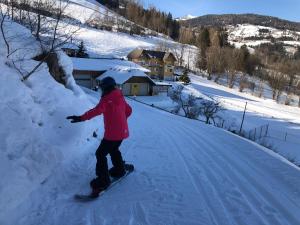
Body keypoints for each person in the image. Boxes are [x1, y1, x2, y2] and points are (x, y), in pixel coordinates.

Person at [67, 77, 132, 197]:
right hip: (122, 132)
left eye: (102, 87)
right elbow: (129, 110)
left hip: (113, 134)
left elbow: (97, 111)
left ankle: (103, 180)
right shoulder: (119, 96)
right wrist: (121, 121)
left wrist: (80, 118)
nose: (101, 90)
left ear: (107, 87)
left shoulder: (107, 99)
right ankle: (119, 169)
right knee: (114, 149)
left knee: (100, 154)